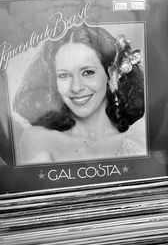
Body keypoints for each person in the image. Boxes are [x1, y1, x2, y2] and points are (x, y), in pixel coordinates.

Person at [13, 24, 146, 165]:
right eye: (64, 75)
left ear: (111, 73)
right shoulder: (38, 139)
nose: (76, 87)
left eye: (88, 72)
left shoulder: (141, 131)